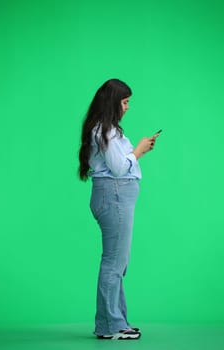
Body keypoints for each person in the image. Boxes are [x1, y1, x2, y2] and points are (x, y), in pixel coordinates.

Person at [78, 79, 160, 340]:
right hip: (113, 195)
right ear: (113, 102)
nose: (127, 107)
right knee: (114, 262)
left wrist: (137, 151)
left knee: (117, 262)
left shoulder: (106, 129)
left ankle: (114, 322)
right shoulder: (105, 131)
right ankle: (112, 325)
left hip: (113, 196)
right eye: (125, 102)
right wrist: (139, 150)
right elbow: (118, 167)